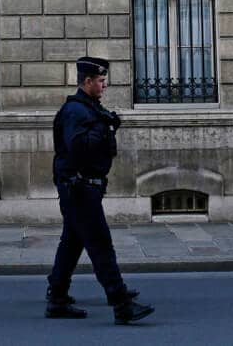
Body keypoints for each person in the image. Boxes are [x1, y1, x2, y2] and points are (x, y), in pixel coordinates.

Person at [45, 56, 155, 325]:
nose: (104, 85)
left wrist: (106, 124)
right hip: (79, 188)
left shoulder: (89, 108)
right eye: (101, 81)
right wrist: (103, 131)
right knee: (100, 244)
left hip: (84, 187)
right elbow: (78, 146)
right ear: (87, 81)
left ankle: (57, 297)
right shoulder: (75, 111)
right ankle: (121, 303)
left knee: (72, 243)